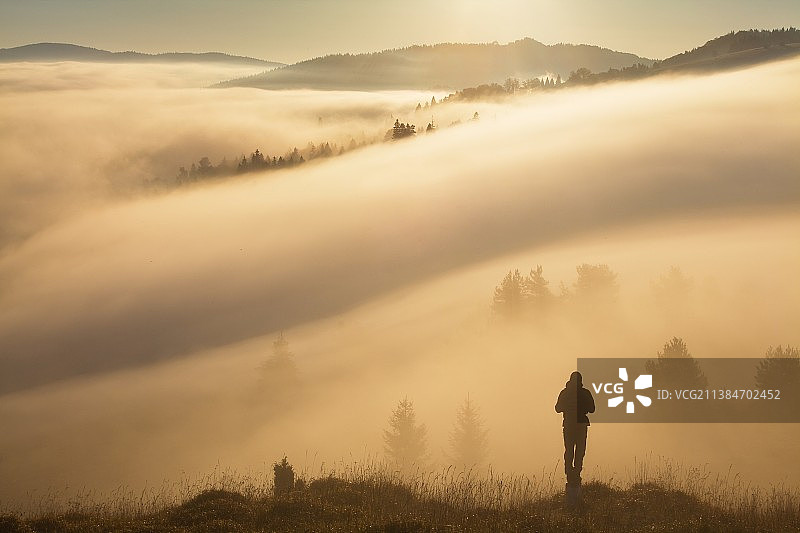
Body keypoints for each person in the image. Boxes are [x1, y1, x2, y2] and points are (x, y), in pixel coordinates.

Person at [555, 371, 595, 484]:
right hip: (580, 425)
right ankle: (575, 474)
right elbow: (592, 409)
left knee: (570, 451)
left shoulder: (565, 393)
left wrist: (568, 407)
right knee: (579, 451)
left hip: (569, 425)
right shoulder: (585, 393)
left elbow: (557, 408)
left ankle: (570, 474)